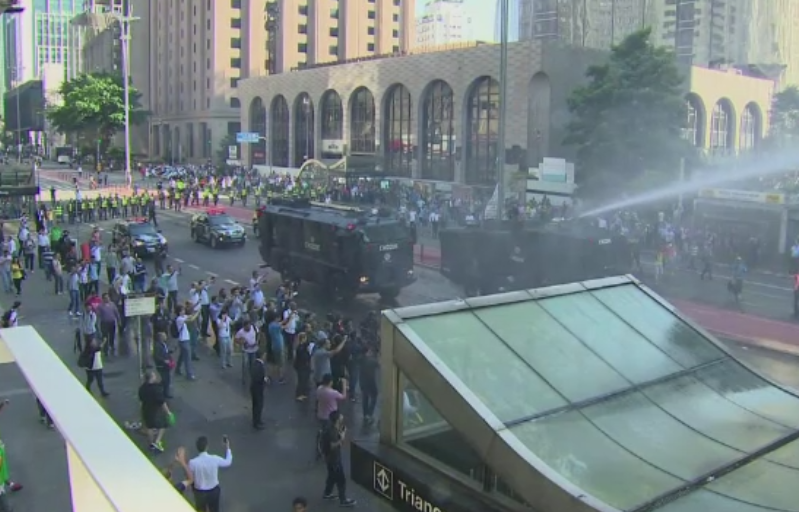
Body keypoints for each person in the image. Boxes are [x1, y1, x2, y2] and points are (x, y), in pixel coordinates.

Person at [320, 411, 356, 507]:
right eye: (340, 417)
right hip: (334, 459)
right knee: (341, 480)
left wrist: (341, 434)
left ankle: (327, 493)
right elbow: (332, 445)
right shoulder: (332, 431)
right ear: (337, 420)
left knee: (331, 476)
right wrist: (342, 438)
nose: (342, 417)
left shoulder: (331, 428)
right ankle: (343, 500)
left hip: (330, 459)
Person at [188, 435, 233, 512]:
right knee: (214, 509)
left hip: (200, 492)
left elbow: (189, 476)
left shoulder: (192, 462)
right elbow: (228, 462)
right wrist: (227, 447)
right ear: (207, 447)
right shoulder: (214, 458)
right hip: (213, 490)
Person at [139, 370, 172, 453]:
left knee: (149, 427)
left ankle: (151, 444)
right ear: (151, 378)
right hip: (155, 411)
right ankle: (157, 441)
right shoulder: (156, 389)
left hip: (146, 409)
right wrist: (168, 412)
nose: (155, 377)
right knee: (163, 425)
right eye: (154, 376)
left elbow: (141, 399)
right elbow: (162, 402)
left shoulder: (142, 388)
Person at [250, 351, 266, 430]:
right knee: (259, 405)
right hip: (258, 389)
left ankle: (256, 420)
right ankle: (257, 422)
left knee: (255, 405)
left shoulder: (254, 364)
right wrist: (264, 380)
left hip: (253, 388)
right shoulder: (260, 365)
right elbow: (258, 377)